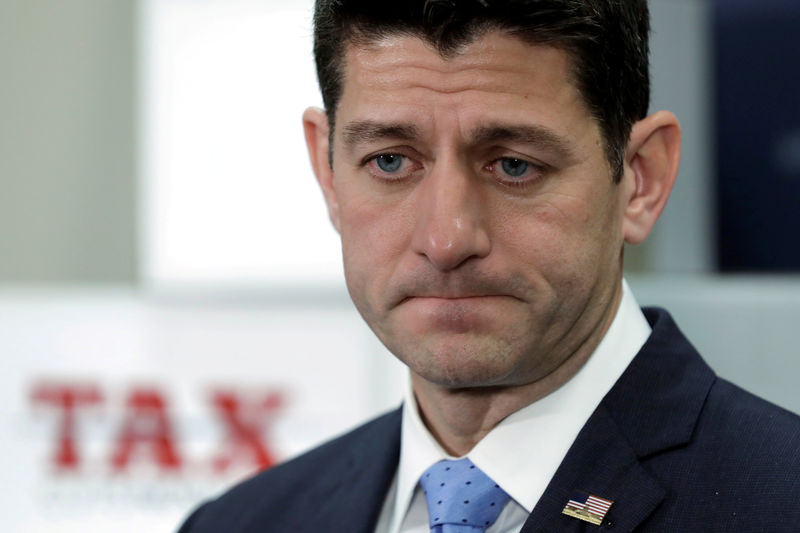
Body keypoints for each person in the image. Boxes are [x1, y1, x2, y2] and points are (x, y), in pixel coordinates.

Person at [178, 1, 800, 531]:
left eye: (514, 165)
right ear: (328, 172)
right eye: (391, 161)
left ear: (639, 180)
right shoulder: (242, 522)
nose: (447, 239)